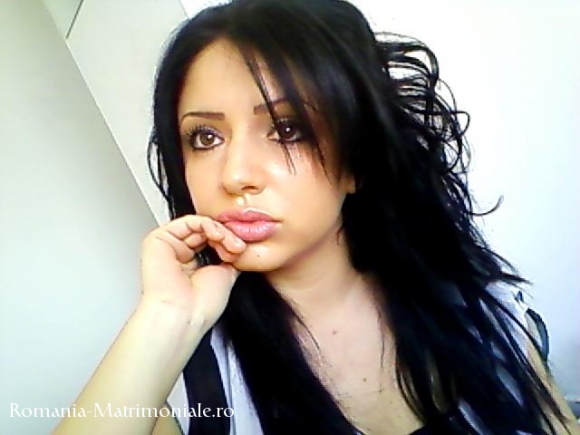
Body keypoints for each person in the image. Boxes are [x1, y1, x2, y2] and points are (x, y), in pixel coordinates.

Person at [54, 0, 579, 434]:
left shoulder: (481, 308)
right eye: (205, 137)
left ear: (357, 159)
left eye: (287, 129)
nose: (235, 175)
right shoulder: (186, 386)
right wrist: (168, 316)